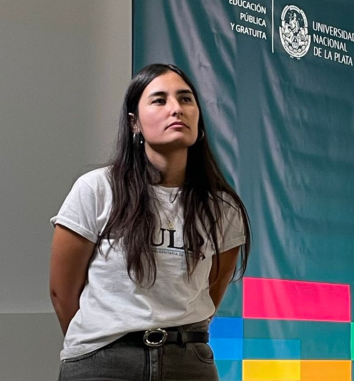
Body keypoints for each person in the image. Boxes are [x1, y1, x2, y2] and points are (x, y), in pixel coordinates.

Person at [49, 63, 251, 380]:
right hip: (103, 363)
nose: (176, 109)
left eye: (186, 99)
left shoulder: (222, 208)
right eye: (159, 100)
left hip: (188, 363)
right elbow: (62, 292)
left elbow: (210, 292)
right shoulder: (96, 189)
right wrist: (103, 344)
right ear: (134, 123)